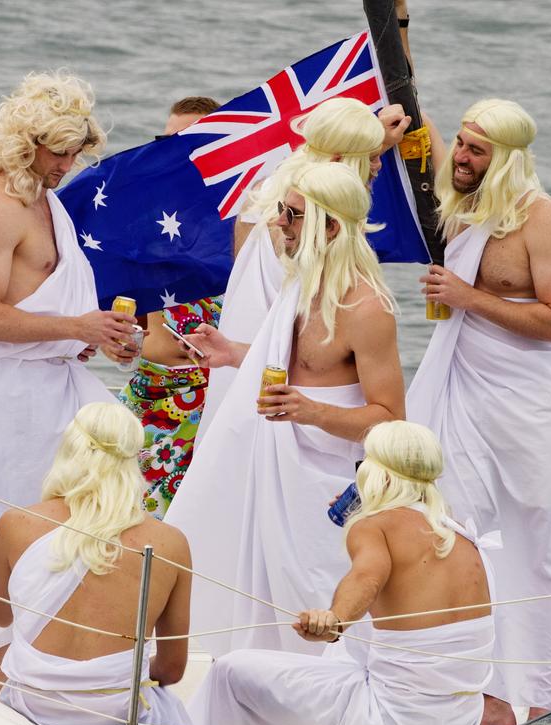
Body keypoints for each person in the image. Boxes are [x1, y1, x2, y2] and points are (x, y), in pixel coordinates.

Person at [0, 71, 133, 659]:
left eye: (75, 152)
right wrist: (75, 327)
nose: (67, 164)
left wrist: (94, 337)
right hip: (4, 401)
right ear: (25, 142)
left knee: (72, 522)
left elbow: (39, 306)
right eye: (58, 151)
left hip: (54, 387)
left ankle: (50, 648)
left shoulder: (46, 201)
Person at [167, 162, 404, 655]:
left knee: (309, 605)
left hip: (318, 486)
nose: (279, 223)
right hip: (266, 462)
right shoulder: (299, 284)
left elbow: (389, 419)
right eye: (281, 210)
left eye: (292, 215)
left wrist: (311, 412)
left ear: (331, 226)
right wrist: (231, 353)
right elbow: (293, 366)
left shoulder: (367, 309)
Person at [190, 420, 495, 725]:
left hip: (391, 723)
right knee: (337, 659)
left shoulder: (374, 526)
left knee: (230, 671)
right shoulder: (464, 537)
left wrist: (334, 621)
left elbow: (366, 576)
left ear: (380, 474)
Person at [407, 98, 551, 725]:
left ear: (508, 162)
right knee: (452, 526)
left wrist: (468, 298)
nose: (460, 159)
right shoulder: (467, 202)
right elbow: (416, 125)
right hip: (460, 397)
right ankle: (486, 697)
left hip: (526, 405)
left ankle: (543, 693)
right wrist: (395, 21)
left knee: (536, 542)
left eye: (475, 152)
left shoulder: (538, 220)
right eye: (461, 145)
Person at [198, 97, 409, 439]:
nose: (378, 165)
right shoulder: (309, 232)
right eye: (370, 157)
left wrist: (374, 140)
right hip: (281, 390)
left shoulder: (264, 196)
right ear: (340, 161)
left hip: (239, 361)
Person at [0, 402, 192, 725]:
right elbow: (172, 670)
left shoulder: (16, 523)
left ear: (69, 451)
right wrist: (112, 675)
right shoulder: (170, 543)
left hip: (33, 706)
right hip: (115, 715)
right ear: (133, 461)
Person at [117, 96, 223, 520]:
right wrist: (118, 343)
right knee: (119, 519)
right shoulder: (145, 225)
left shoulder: (248, 223)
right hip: (147, 398)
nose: (174, 153)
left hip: (213, 404)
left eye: (189, 141)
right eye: (167, 141)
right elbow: (127, 314)